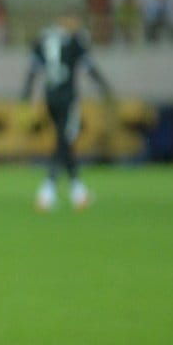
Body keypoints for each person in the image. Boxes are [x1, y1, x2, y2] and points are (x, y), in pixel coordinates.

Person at [21, 12, 114, 212]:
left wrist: (26, 94)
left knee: (65, 141)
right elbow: (90, 67)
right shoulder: (74, 41)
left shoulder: (44, 39)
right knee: (64, 141)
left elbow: (33, 69)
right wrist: (105, 87)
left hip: (50, 98)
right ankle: (47, 190)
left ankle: (77, 191)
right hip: (67, 99)